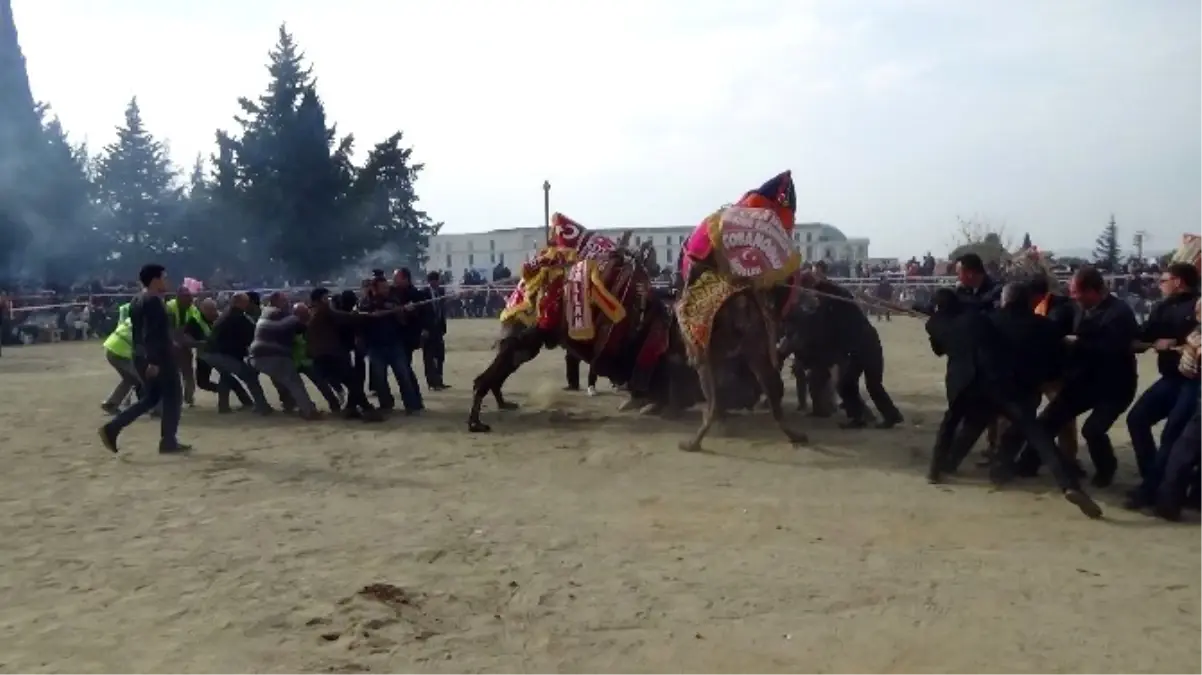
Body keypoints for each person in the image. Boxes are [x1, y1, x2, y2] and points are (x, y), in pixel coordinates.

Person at [926, 284, 1100, 518]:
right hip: (1018, 391)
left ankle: (942, 467)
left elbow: (963, 339)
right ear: (1029, 302)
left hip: (982, 384)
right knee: (1039, 438)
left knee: (971, 423)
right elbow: (1055, 363)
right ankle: (1068, 485)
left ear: (1004, 301)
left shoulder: (987, 320)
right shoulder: (1046, 327)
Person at [1038, 267, 1140, 488]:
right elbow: (1056, 323)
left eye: (1077, 292)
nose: (1074, 297)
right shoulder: (1077, 308)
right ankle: (1038, 464)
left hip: (1115, 385)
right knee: (1046, 422)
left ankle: (1106, 469)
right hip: (1083, 381)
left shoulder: (1119, 314)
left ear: (1094, 291)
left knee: (1092, 430)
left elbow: (1112, 349)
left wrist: (1078, 343)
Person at [97, 264, 191, 454]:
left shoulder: (137, 299)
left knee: (151, 398)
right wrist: (154, 361)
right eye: (164, 277)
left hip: (140, 356)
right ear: (155, 279)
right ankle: (168, 441)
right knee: (173, 397)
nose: (167, 280)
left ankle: (113, 428)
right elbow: (151, 334)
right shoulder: (153, 301)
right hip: (159, 359)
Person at [1125, 263, 1199, 484]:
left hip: (1194, 382)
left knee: (1172, 434)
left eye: (1163, 280)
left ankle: (1157, 488)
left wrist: (1178, 343)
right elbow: (1143, 335)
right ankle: (1152, 476)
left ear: (1178, 281)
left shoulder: (1199, 304)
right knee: (1137, 419)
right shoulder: (1162, 307)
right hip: (1170, 379)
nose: (1160, 284)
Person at [202, 292, 271, 414]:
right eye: (246, 302)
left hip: (209, 353)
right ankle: (262, 407)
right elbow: (253, 338)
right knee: (250, 376)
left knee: (225, 375)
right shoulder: (240, 318)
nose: (248, 304)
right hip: (223, 355)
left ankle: (223, 407)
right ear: (241, 303)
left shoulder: (225, 314)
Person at [423, 271, 450, 390]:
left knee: (440, 356)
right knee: (429, 357)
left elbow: (441, 310)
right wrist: (423, 328)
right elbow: (421, 313)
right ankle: (431, 383)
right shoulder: (423, 294)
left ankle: (439, 381)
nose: (438, 282)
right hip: (428, 330)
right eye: (436, 280)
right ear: (430, 281)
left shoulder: (440, 292)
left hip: (438, 329)